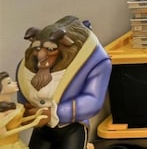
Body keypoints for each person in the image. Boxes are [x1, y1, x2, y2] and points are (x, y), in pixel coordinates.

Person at [16, 16, 111, 149]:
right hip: (42, 129)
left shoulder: (95, 63)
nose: (41, 56)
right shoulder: (26, 68)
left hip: (71, 128)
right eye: (38, 49)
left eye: (50, 50)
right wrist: (25, 112)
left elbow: (92, 101)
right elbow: (23, 94)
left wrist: (54, 114)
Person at [0, 71, 48, 149]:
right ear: (1, 90)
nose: (15, 83)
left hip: (16, 142)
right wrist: (32, 124)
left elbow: (16, 121)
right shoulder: (1, 112)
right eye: (9, 83)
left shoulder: (12, 106)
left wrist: (35, 116)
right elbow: (3, 134)